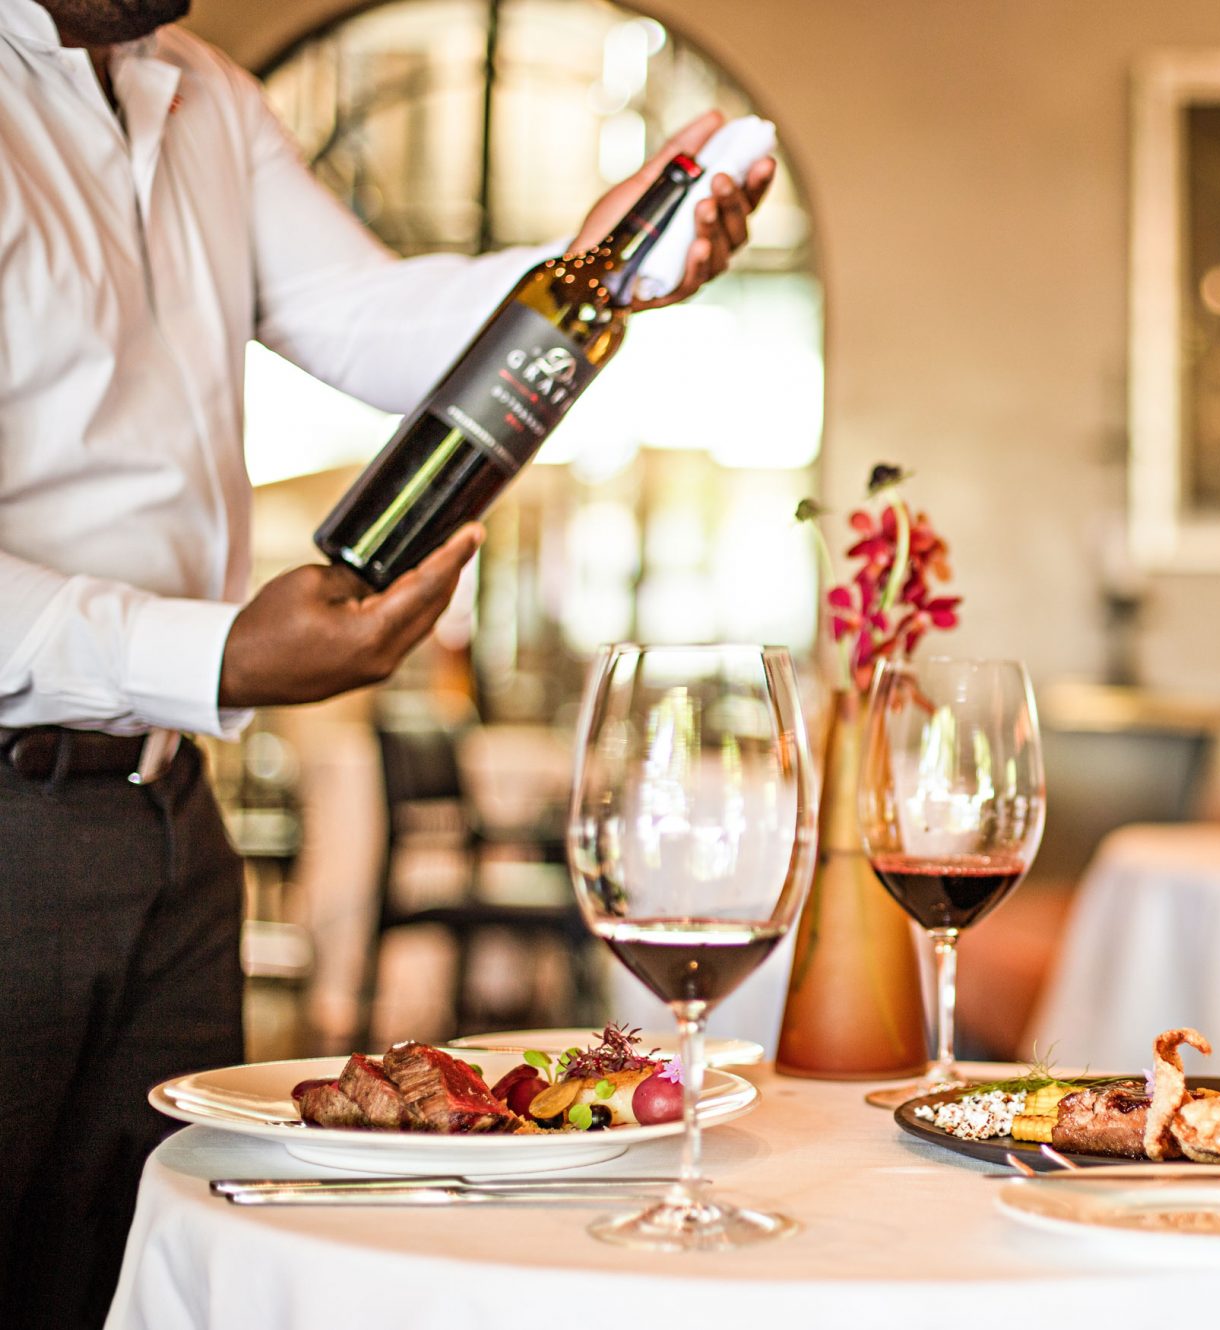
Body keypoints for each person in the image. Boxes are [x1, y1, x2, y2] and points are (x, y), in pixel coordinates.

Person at [0, 0, 775, 1323]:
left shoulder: (199, 91)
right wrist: (224, 649)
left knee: (149, 1275)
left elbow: (365, 315)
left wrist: (605, 264)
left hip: (170, 826)